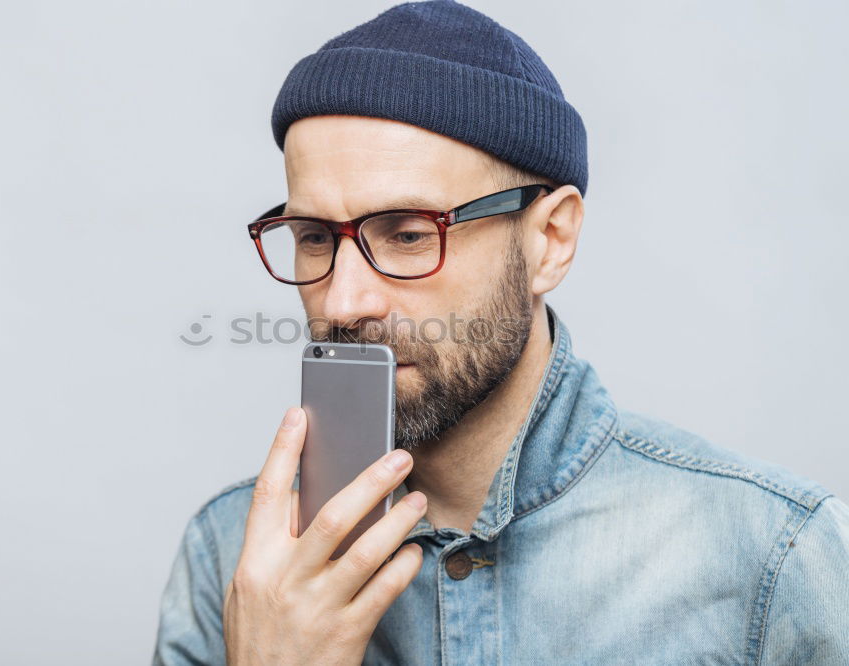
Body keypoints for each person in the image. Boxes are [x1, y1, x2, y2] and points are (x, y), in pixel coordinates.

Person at [153, 1, 849, 663]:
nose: (343, 300)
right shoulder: (233, 556)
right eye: (312, 237)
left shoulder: (771, 554)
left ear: (550, 239)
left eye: (407, 233)